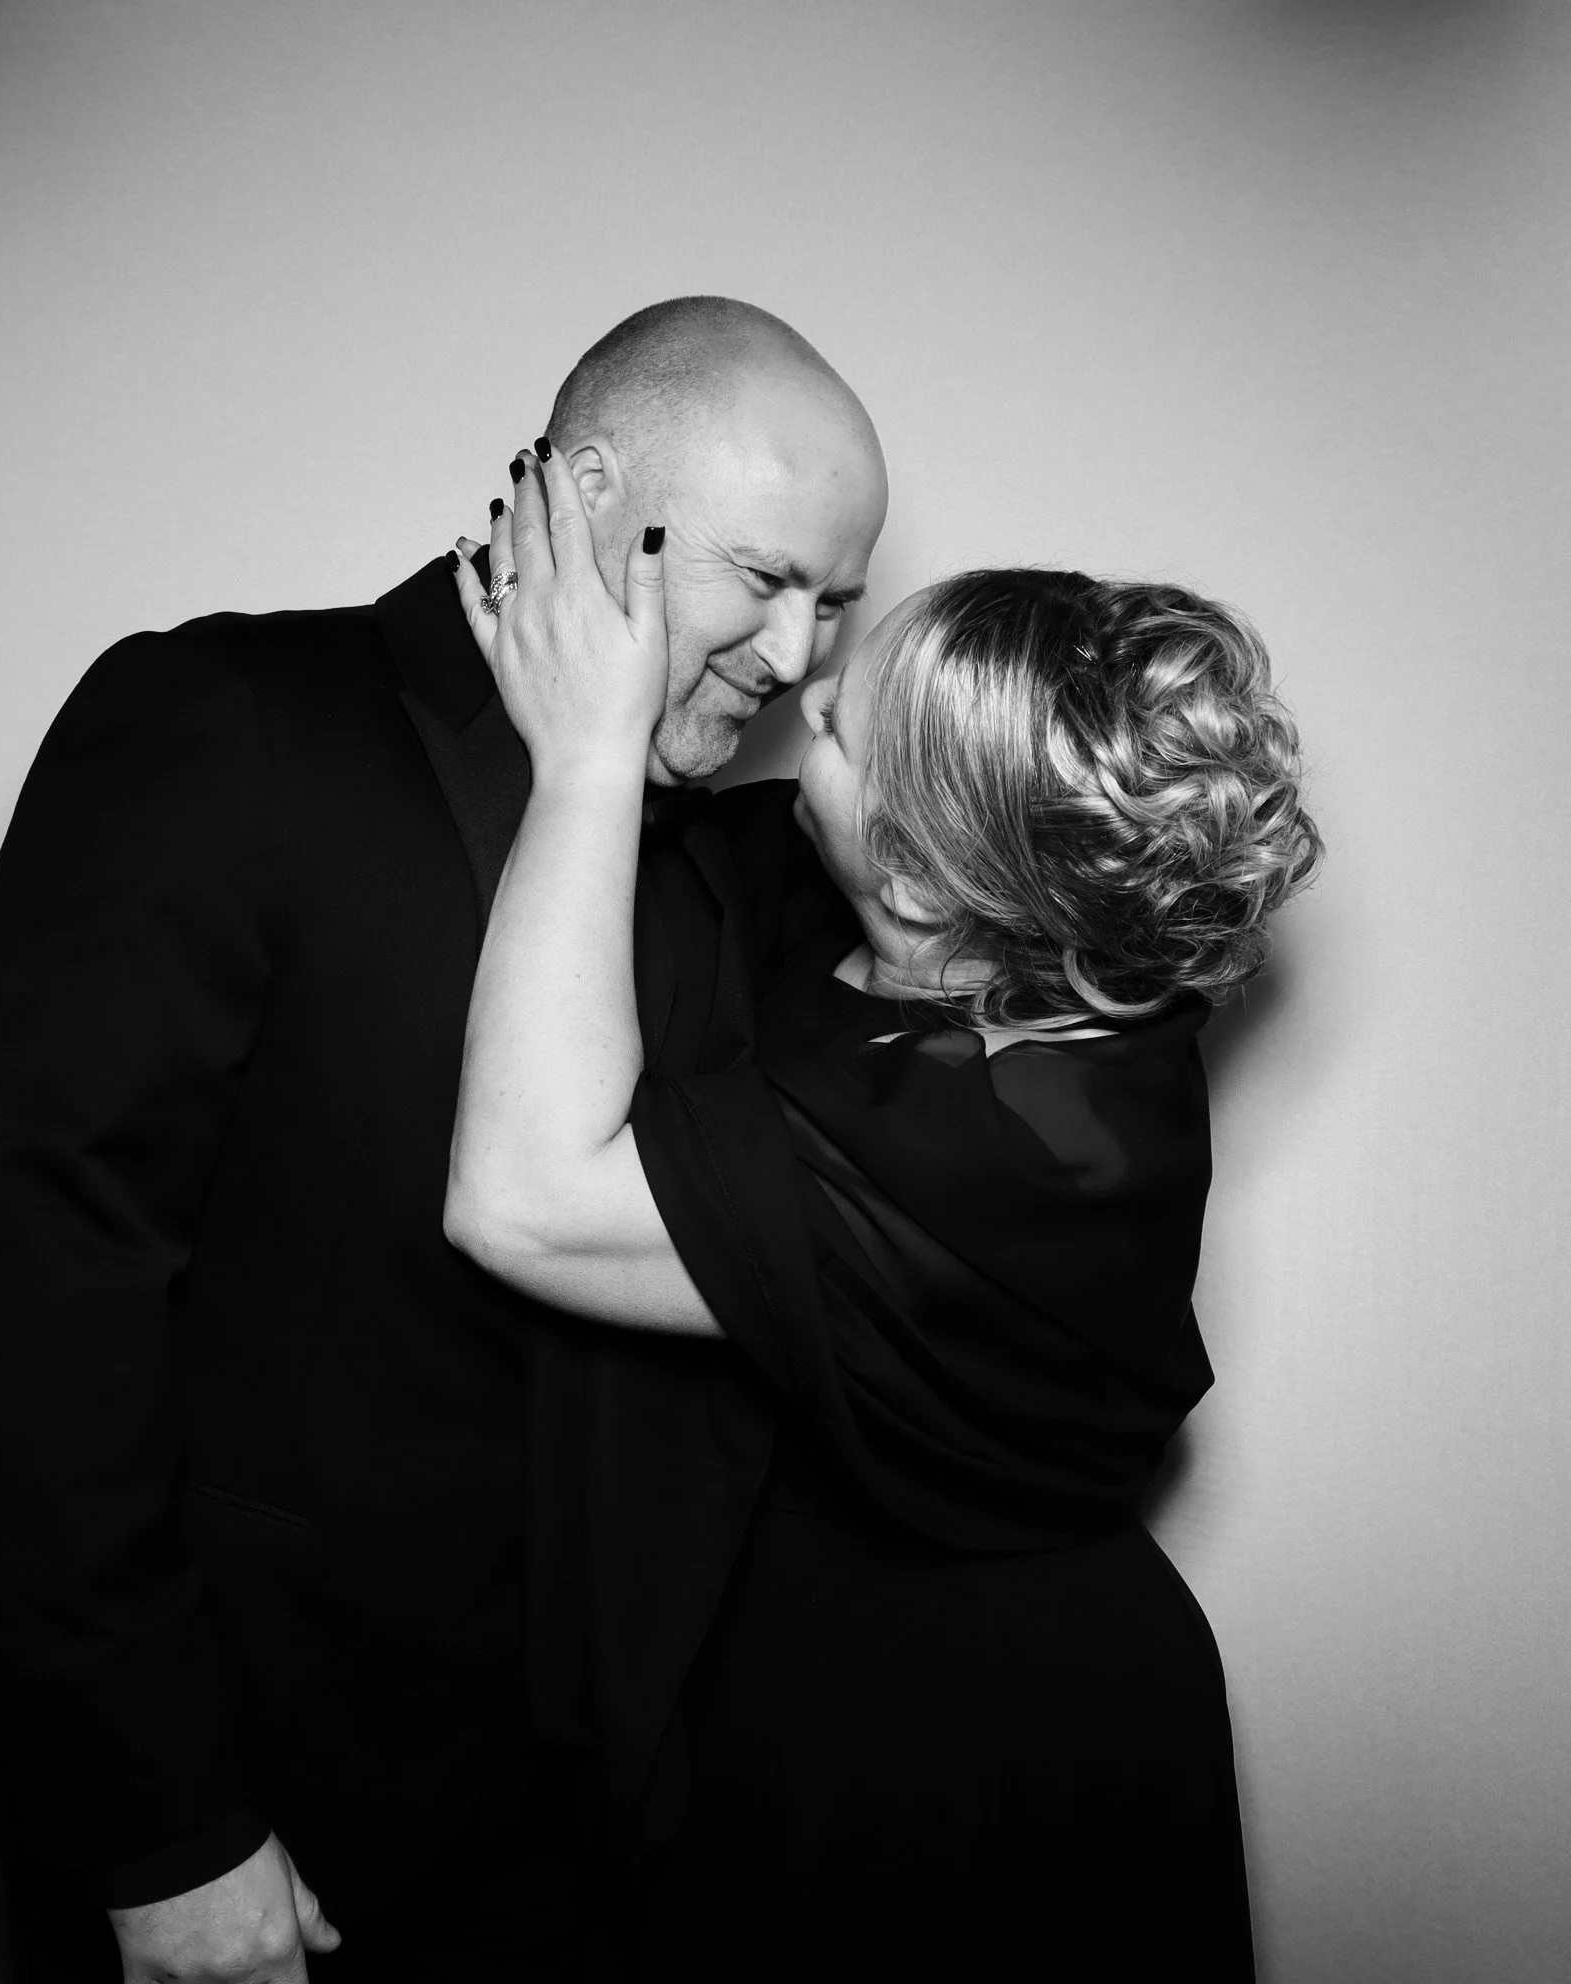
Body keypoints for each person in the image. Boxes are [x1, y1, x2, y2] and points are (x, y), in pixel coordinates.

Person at [0, 295, 886, 1982]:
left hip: (591, 1847)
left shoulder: (736, 854)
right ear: (577, 497)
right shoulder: (227, 721)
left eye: (838, 606)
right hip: (245, 1816)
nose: (798, 663)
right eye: (766, 581)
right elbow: (37, 1285)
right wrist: (163, 1831)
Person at [443, 447, 1322, 1978]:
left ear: (919, 877)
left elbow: (522, 1201)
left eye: (839, 731)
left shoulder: (1016, 1148)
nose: (805, 695)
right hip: (822, 1679)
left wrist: (586, 759)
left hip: (963, 1747)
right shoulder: (1000, 940)